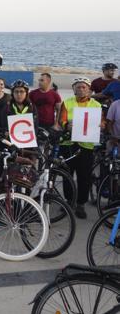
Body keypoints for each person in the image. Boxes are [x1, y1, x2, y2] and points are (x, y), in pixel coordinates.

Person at [59, 77, 102, 219]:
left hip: (86, 146)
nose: (81, 89)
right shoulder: (67, 102)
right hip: (68, 144)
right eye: (78, 87)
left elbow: (102, 122)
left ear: (89, 89)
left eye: (84, 87)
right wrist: (66, 125)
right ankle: (68, 201)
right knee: (67, 175)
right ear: (74, 88)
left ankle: (81, 204)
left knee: (84, 177)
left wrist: (102, 125)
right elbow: (61, 121)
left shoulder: (96, 105)